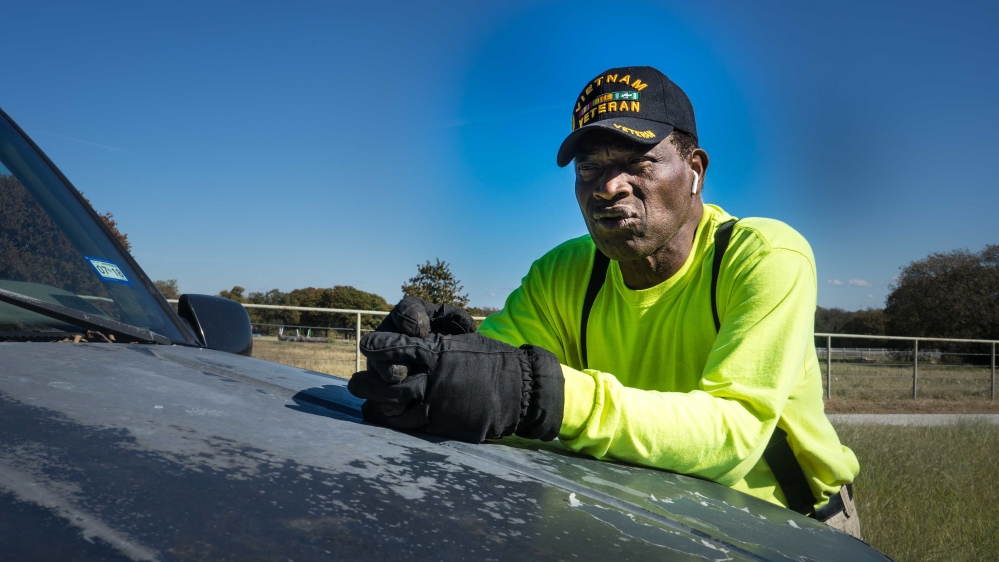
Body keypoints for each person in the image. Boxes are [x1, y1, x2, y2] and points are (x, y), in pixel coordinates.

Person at [348, 66, 862, 538]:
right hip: (638, 511)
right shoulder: (563, 272)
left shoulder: (763, 257)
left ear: (695, 170)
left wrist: (547, 396)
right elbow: (498, 379)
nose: (608, 187)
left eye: (638, 162)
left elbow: (735, 436)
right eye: (589, 168)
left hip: (789, 527)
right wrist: (440, 367)